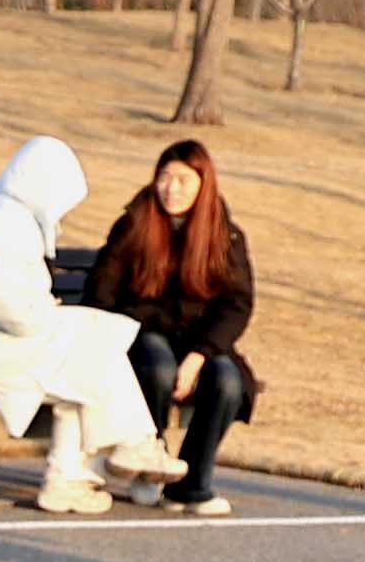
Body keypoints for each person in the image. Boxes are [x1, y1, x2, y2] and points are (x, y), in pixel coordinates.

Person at [0, 135, 177, 515]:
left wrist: (44, 315)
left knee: (87, 360)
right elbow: (1, 303)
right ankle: (136, 443)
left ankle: (67, 480)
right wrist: (44, 319)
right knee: (94, 349)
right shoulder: (13, 225)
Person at [95, 137, 256, 517]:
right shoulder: (135, 224)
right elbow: (102, 291)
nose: (172, 189)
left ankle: (191, 486)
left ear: (204, 184)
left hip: (199, 339)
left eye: (183, 180)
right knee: (158, 367)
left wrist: (200, 354)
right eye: (165, 178)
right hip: (141, 331)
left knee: (228, 380)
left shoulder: (225, 234)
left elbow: (236, 304)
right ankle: (149, 464)